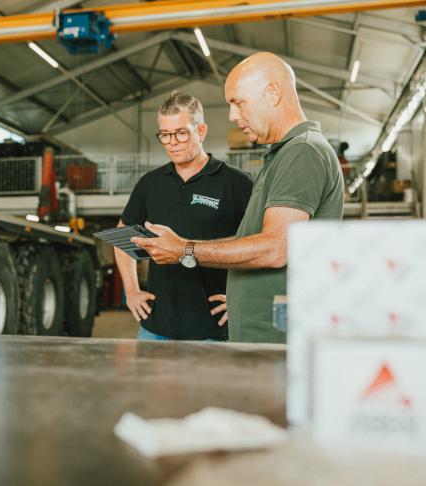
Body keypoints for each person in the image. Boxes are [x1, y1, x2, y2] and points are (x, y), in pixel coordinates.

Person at [132, 52, 345, 344]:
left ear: (273, 92)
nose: (232, 116)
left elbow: (274, 248)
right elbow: (258, 240)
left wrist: (185, 249)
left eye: (238, 102)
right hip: (259, 337)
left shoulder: (302, 152)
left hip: (273, 341)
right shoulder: (283, 155)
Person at [115, 91, 253, 341]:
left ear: (201, 131)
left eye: (181, 133)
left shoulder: (237, 184)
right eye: (165, 135)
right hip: (155, 328)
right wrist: (132, 290)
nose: (173, 142)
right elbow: (123, 237)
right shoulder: (150, 184)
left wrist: (244, 299)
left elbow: (259, 247)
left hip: (214, 330)